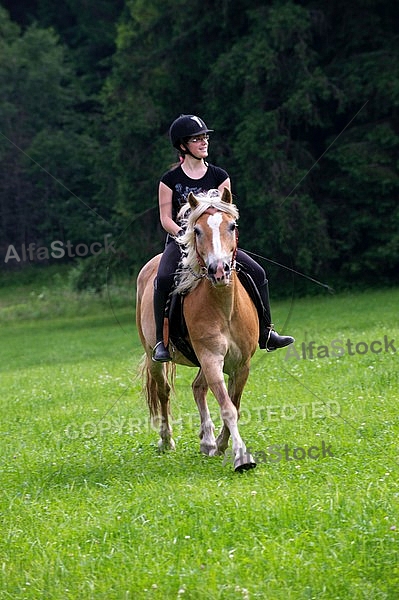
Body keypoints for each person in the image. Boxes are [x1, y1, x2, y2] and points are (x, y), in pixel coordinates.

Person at [152, 114, 294, 362]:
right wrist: (186, 236)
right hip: (183, 242)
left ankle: (266, 332)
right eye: (197, 139)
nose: (204, 142)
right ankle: (160, 343)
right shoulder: (169, 180)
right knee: (163, 279)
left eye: (205, 137)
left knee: (258, 272)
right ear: (183, 145)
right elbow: (166, 219)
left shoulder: (219, 176)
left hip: (217, 243)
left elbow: (228, 212)